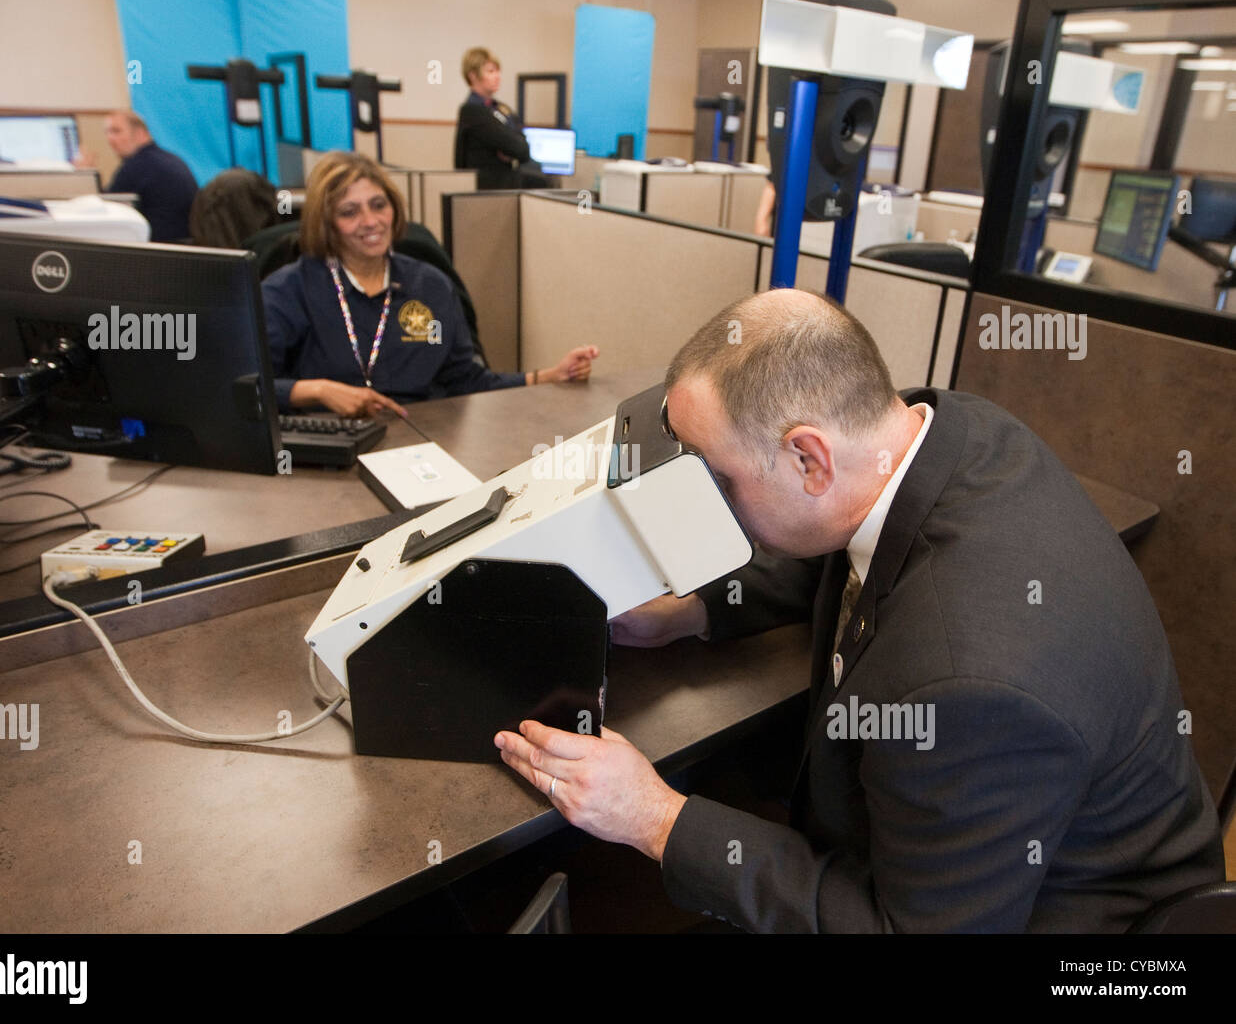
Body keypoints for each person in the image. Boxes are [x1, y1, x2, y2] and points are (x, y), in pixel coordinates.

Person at [494, 288, 1224, 933]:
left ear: (809, 459)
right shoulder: (934, 433)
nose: (700, 502)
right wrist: (693, 611)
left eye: (713, 478)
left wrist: (656, 819)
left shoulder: (971, 686)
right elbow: (844, 543)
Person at [263, 151, 597, 417]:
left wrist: (549, 376)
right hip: (328, 447)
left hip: (420, 441)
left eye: (379, 205)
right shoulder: (290, 291)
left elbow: (464, 380)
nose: (370, 221)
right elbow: (250, 389)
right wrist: (318, 390)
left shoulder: (430, 286)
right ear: (327, 225)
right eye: (349, 212)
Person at [74, 110, 198, 242]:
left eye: (116, 131)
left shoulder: (137, 166)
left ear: (140, 133)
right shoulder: (171, 159)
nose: (110, 139)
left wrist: (85, 177)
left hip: (156, 249)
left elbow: (105, 213)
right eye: (107, 132)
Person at [454, 47, 548, 190]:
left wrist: (511, 149)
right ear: (473, 75)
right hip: (487, 192)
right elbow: (517, 147)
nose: (497, 76)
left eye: (498, 71)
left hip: (507, 186)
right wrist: (513, 148)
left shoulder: (501, 108)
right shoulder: (472, 111)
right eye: (490, 71)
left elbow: (523, 148)